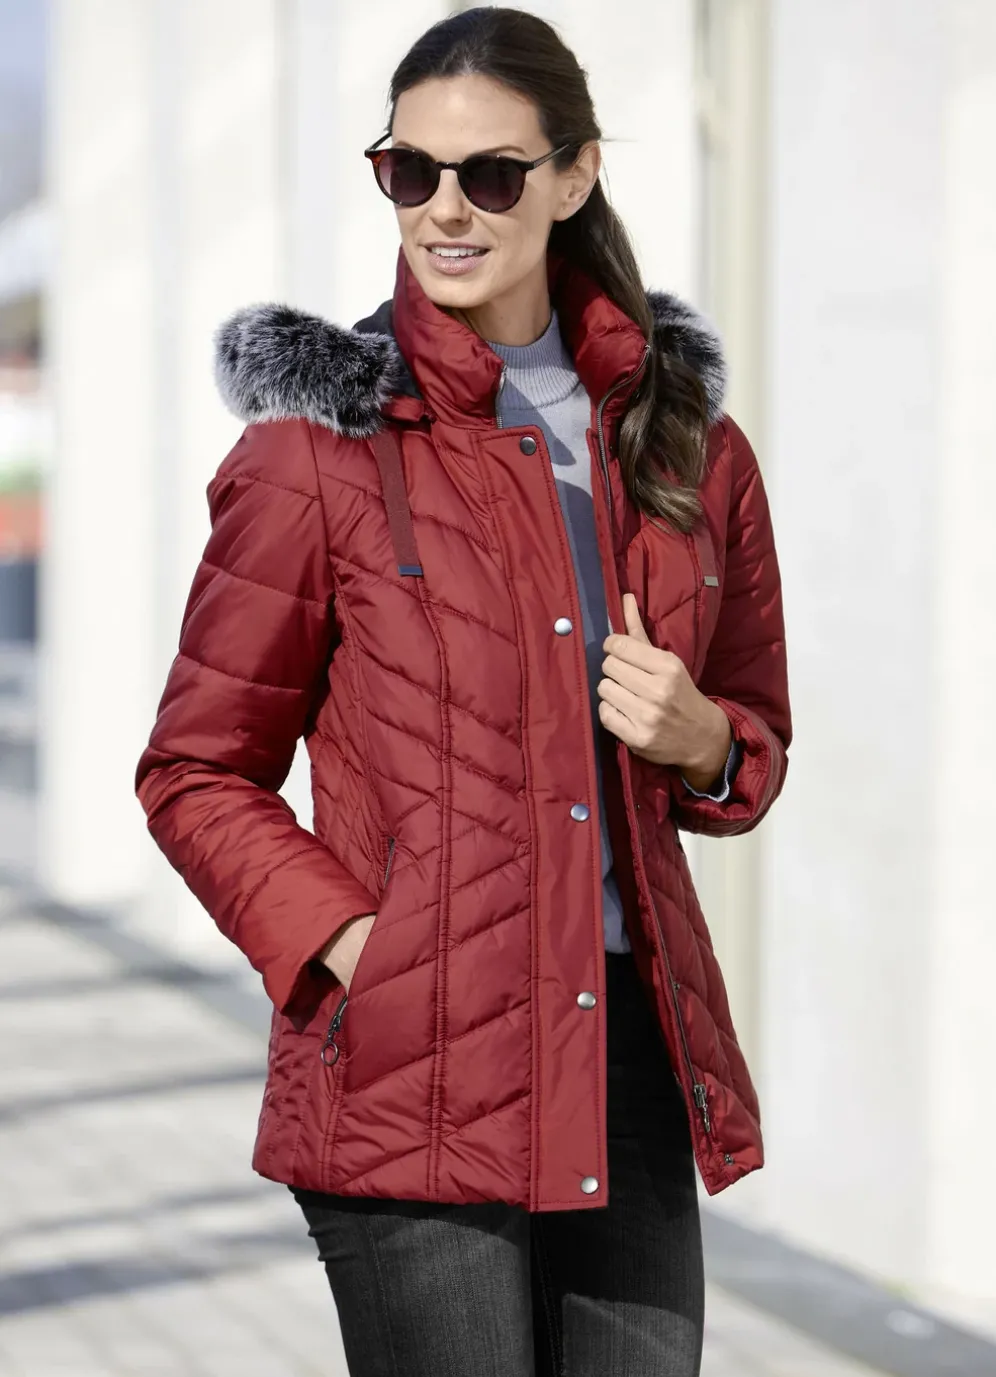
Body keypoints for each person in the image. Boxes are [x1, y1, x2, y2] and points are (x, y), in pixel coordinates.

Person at [136, 7, 791, 1374]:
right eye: (410, 171)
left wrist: (702, 741)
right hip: (412, 1064)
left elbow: (749, 746)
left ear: (572, 175)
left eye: (490, 174)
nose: (446, 208)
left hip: (627, 1049)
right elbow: (196, 769)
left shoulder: (682, 446)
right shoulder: (322, 452)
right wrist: (354, 943)